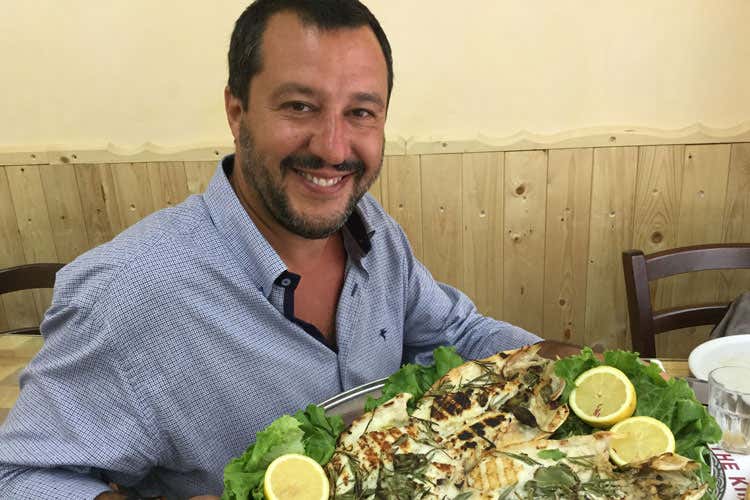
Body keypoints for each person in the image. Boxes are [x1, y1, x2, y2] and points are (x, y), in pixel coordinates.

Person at [0, 0, 568, 497]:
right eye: (299, 106)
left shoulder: (373, 232)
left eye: (360, 112)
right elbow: (19, 477)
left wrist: (581, 366)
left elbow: (457, 334)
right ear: (237, 112)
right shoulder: (127, 294)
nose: (334, 148)